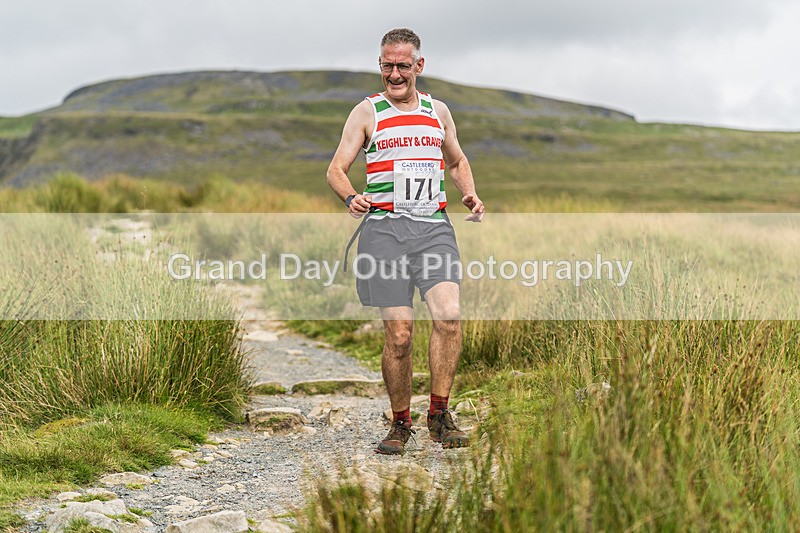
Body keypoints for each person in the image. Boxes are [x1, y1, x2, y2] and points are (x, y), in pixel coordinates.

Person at [327, 28, 484, 455]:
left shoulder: (439, 111)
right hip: (384, 232)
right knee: (399, 334)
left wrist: (468, 191)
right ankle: (400, 423)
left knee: (449, 319)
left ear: (419, 65)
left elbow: (456, 159)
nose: (394, 74)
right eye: (386, 66)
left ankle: (438, 414)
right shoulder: (367, 112)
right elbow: (336, 169)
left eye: (402, 65)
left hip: (433, 228)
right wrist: (350, 196)